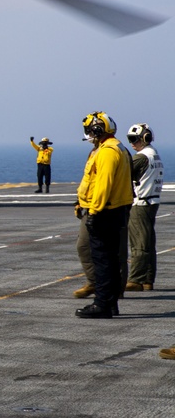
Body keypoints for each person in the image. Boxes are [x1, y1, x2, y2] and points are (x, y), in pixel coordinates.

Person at [74, 112, 133, 319]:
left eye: (90, 130)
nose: (88, 134)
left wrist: (94, 211)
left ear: (98, 129)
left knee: (103, 260)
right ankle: (109, 302)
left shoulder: (107, 152)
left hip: (105, 212)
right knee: (109, 259)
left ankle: (102, 305)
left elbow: (103, 184)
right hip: (113, 211)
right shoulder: (117, 148)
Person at [125, 123, 163, 292]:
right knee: (148, 241)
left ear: (144, 138)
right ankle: (148, 279)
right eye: (130, 139)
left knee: (139, 242)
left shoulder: (141, 157)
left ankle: (135, 280)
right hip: (152, 202)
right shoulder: (154, 155)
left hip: (140, 203)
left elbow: (123, 173)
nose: (132, 143)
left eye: (134, 139)